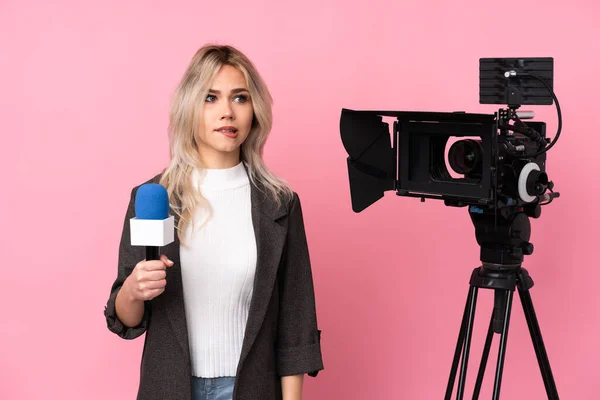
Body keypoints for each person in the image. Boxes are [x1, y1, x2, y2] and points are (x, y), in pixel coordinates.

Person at [103, 44, 324, 400]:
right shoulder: (153, 197)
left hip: (251, 389)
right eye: (210, 98)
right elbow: (126, 319)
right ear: (190, 106)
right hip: (170, 387)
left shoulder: (279, 204)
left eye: (240, 98)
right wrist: (133, 289)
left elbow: (296, 324)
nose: (227, 112)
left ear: (254, 110)